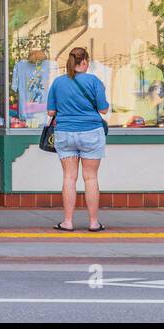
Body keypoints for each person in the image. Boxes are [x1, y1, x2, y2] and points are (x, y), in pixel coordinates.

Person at [45, 46, 109, 232]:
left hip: (65, 133)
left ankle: (68, 222)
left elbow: (51, 112)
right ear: (85, 62)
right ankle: (93, 223)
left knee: (69, 178)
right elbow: (103, 110)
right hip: (91, 133)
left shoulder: (58, 82)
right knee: (90, 178)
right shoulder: (94, 81)